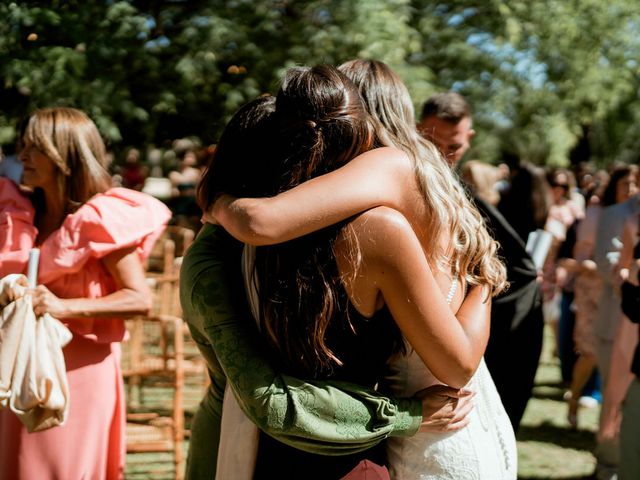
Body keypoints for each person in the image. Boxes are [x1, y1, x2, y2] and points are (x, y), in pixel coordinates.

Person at [207, 61, 516, 479]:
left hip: (437, 420)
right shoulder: (422, 185)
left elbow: (262, 222)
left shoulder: (389, 175)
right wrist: (484, 276)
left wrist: (217, 201)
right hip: (422, 420)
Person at [0, 107, 171, 479]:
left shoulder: (101, 219)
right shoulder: (21, 213)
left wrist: (62, 306)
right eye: (22, 146)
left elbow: (139, 299)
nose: (22, 156)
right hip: (18, 366)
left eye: (34, 147)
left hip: (77, 374)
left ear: (65, 154)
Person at [419, 94, 544, 432]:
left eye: (454, 146)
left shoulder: (465, 194)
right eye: (433, 142)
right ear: (417, 131)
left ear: (469, 137)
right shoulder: (414, 182)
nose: (443, 154)